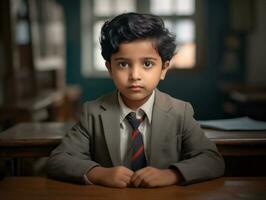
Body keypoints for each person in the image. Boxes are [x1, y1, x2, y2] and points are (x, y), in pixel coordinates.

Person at [47, 12, 224, 188]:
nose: (135, 76)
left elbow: (212, 160)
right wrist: (99, 173)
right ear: (110, 69)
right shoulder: (92, 112)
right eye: (123, 64)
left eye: (147, 64)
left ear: (164, 68)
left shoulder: (180, 111)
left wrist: (171, 174)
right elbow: (59, 160)